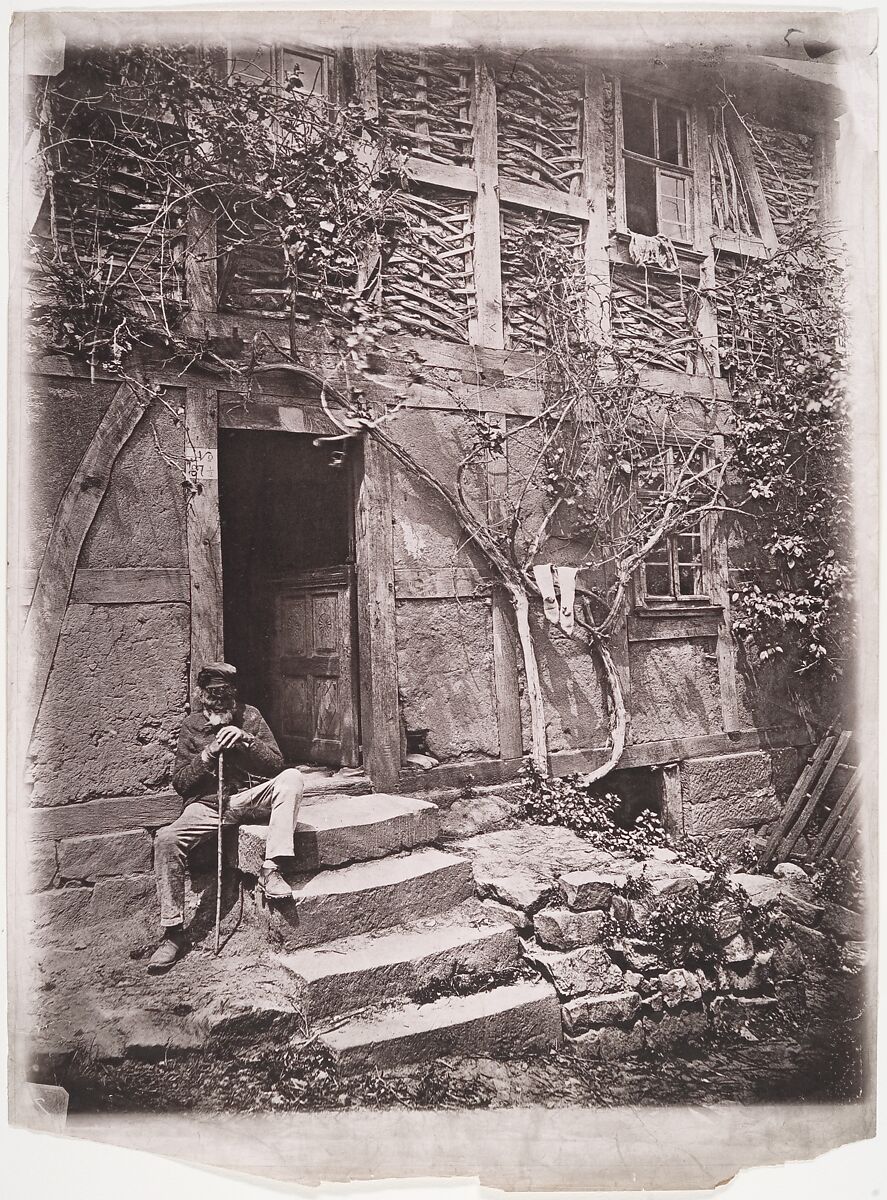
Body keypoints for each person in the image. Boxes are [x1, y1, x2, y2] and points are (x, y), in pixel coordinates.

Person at [148, 662, 304, 973]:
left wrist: (247, 739)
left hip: (251, 798)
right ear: (201, 695)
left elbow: (276, 764)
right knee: (166, 839)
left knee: (293, 778)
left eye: (225, 695)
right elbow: (180, 784)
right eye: (212, 695)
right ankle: (173, 933)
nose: (219, 702)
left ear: (234, 695)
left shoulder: (251, 716)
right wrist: (207, 754)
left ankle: (270, 869)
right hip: (208, 806)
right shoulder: (191, 726)